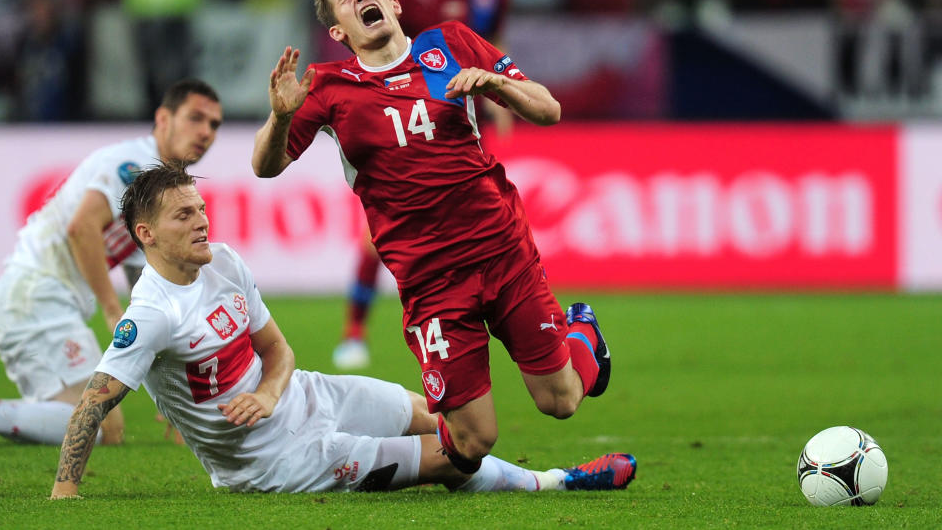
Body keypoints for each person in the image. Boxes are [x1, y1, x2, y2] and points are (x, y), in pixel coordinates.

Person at [50, 163, 636, 497]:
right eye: (185, 215)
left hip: (306, 394)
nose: (203, 221)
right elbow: (90, 408)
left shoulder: (224, 262)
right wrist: (65, 494)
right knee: (447, 457)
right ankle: (558, 483)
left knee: (454, 424)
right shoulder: (151, 314)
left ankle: (576, 362)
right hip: (273, 461)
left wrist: (271, 392)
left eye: (201, 208)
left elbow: (276, 349)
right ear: (147, 235)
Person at [251, 0, 622, 480]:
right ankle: (400, 431)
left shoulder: (451, 43)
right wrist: (281, 116)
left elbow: (548, 109)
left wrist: (497, 87)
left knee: (560, 401)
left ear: (393, 2)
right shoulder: (327, 87)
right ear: (338, 30)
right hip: (430, 281)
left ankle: (584, 334)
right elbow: (266, 168)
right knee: (471, 444)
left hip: (501, 249)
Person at [0, 78, 222, 445]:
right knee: (101, 427)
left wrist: (175, 391)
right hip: (35, 298)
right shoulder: (130, 165)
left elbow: (150, 280)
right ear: (163, 119)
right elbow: (82, 229)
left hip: (35, 300)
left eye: (214, 125)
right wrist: (113, 310)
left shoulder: (156, 185)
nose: (205, 132)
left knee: (83, 421)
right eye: (195, 118)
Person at [334, 0, 512, 370]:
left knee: (482, 221)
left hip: (462, 123)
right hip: (399, 121)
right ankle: (355, 330)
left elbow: (495, 45)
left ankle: (487, 321)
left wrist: (504, 97)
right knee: (378, 236)